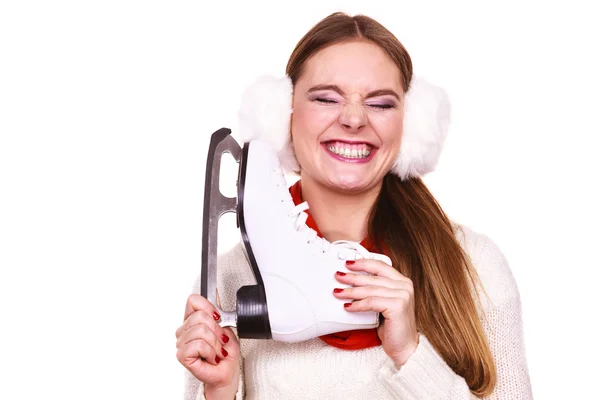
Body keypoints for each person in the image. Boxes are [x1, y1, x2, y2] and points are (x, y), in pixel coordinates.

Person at [175, 11, 533, 400]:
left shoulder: (473, 265)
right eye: (326, 98)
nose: (354, 119)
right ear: (282, 115)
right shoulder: (233, 277)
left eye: (380, 104)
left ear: (412, 129)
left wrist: (411, 355)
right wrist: (221, 391)